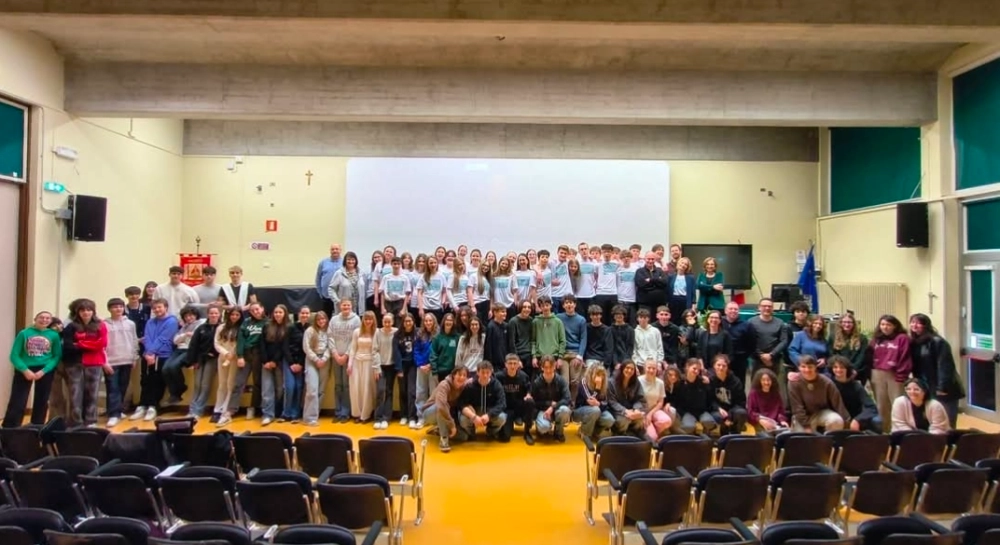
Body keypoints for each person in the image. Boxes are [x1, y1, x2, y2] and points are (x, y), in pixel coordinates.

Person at [3, 311, 61, 428]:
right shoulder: (24, 333)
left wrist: (44, 371)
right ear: (35, 319)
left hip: (44, 369)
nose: (44, 320)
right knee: (18, 399)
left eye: (47, 318)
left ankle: (37, 426)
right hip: (25, 368)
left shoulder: (54, 335)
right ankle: (10, 427)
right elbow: (14, 355)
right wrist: (25, 370)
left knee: (42, 399)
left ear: (50, 321)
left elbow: (56, 356)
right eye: (41, 317)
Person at [909, 313, 964, 428]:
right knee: (931, 419)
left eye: (918, 323)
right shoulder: (914, 342)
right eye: (913, 322)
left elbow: (945, 366)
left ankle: (950, 439)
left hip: (942, 387)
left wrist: (942, 387)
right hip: (926, 386)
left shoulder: (937, 341)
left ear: (926, 325)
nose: (915, 325)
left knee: (946, 420)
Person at [63, 299, 109, 428]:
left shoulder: (101, 325)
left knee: (92, 393)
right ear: (77, 312)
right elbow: (68, 346)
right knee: (75, 394)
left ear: (93, 311)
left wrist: (80, 344)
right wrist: (90, 344)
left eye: (89, 310)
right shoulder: (71, 326)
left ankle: (91, 420)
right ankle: (76, 422)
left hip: (94, 362)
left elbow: (102, 344)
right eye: (82, 310)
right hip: (74, 363)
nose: (86, 312)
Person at [133, 299, 178, 422]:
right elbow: (147, 337)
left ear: (166, 307)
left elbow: (163, 339)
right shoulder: (150, 322)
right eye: (155, 308)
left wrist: (152, 352)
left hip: (162, 355)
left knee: (156, 381)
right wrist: (148, 353)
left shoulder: (172, 321)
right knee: (145, 380)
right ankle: (142, 405)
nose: (157, 310)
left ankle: (153, 406)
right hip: (148, 355)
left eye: (159, 307)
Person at [870, 315, 912, 432]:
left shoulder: (902, 338)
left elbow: (905, 357)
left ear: (895, 326)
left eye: (888, 325)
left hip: (895, 374)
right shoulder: (876, 339)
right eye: (882, 324)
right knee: (881, 405)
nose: (885, 327)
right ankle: (885, 431)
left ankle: (899, 431)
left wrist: (902, 375)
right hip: (877, 373)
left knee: (898, 403)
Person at [788, 355, 848, 432]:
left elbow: (837, 402)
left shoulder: (826, 382)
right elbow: (797, 407)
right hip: (802, 417)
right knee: (802, 437)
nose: (807, 370)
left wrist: (847, 422)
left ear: (815, 367)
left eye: (810, 367)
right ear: (799, 368)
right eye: (803, 367)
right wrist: (806, 426)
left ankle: (829, 439)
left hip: (821, 413)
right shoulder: (794, 382)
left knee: (836, 421)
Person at [747, 298, 791, 402]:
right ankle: (754, 408)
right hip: (757, 360)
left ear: (773, 308)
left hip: (774, 361)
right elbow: (749, 340)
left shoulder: (780, 323)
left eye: (770, 306)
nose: (767, 308)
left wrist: (771, 355)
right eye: (764, 306)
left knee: (773, 386)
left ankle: (773, 409)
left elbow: (784, 341)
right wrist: (761, 355)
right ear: (759, 308)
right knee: (756, 386)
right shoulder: (751, 322)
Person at [103, 298, 138, 428]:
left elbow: (134, 340)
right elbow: (101, 344)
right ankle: (113, 414)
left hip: (127, 359)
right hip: (111, 361)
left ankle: (117, 409)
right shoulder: (104, 324)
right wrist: (104, 361)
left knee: (123, 386)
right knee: (113, 388)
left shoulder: (130, 323)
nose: (118, 309)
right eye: (115, 307)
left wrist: (134, 357)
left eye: (120, 307)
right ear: (109, 309)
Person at [421, 367, 470, 453]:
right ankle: (444, 439)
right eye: (459, 374)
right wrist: (452, 425)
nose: (462, 377)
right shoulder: (444, 385)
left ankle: (438, 430)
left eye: (464, 375)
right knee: (442, 407)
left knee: (463, 437)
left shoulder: (463, 387)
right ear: (453, 375)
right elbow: (441, 406)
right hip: (430, 413)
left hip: (447, 415)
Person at [163, 306, 204, 405]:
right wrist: (185, 335)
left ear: (196, 315)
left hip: (189, 350)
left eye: (191, 315)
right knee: (165, 369)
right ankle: (174, 394)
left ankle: (180, 389)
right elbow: (175, 340)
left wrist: (186, 336)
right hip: (179, 349)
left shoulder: (201, 324)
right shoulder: (184, 327)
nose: (188, 318)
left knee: (173, 367)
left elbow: (196, 338)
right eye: (186, 316)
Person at [829, 355, 881, 432]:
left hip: (856, 418)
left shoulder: (856, 386)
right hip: (835, 418)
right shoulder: (829, 385)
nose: (838, 370)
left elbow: (871, 407)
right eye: (835, 367)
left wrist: (858, 420)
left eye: (842, 367)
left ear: (847, 369)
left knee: (877, 421)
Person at [186, 304, 221, 419]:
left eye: (216, 313)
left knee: (205, 385)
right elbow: (194, 345)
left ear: (219, 314)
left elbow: (221, 344)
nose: (213, 315)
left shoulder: (221, 328)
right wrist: (193, 361)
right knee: (197, 385)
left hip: (213, 359)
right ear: (208, 314)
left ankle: (198, 411)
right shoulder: (201, 328)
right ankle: (192, 410)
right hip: (200, 359)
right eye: (211, 313)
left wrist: (214, 353)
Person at [458, 361, 508, 441]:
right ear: (477, 372)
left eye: (487, 372)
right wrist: (473, 417)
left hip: (490, 411)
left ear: (491, 372)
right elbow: (461, 403)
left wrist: (489, 415)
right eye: (482, 372)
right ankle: (471, 433)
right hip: (474, 411)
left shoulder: (496, 385)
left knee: (502, 418)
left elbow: (502, 403)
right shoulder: (470, 386)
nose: (485, 375)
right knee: (463, 420)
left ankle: (490, 432)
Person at [260, 305, 292, 426]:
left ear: (285, 314)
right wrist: (265, 361)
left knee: (280, 389)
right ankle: (268, 414)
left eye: (280, 312)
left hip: (279, 362)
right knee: (267, 389)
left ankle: (278, 411)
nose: (278, 314)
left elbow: (283, 347)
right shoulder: (267, 326)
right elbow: (262, 344)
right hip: (266, 362)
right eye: (276, 312)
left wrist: (274, 361)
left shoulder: (288, 327)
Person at [530, 355, 572, 443]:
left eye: (550, 367)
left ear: (555, 366)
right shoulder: (537, 382)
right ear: (542, 367)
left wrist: (553, 407)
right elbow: (534, 402)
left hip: (557, 409)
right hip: (543, 411)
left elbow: (567, 398)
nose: (548, 370)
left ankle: (558, 432)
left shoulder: (561, 380)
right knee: (544, 428)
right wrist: (548, 404)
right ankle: (541, 427)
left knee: (565, 410)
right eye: (546, 367)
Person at [674, 358, 720, 435]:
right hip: (687, 411)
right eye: (694, 368)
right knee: (688, 427)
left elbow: (710, 398)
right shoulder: (680, 382)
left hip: (702, 411)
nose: (696, 371)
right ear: (687, 367)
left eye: (698, 370)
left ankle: (706, 432)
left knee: (709, 422)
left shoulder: (703, 381)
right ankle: (693, 433)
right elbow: (676, 400)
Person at [301, 311, 331, 427]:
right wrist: (316, 359)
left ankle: (316, 413)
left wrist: (324, 358)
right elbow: (306, 347)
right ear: (315, 321)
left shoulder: (329, 331)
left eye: (323, 319)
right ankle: (309, 418)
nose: (321, 321)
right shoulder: (310, 331)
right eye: (319, 319)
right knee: (312, 389)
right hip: (311, 360)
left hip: (325, 360)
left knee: (321, 390)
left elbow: (330, 346)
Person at [213, 308, 242, 424]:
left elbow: (239, 344)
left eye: (237, 315)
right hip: (222, 357)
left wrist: (232, 354)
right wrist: (225, 353)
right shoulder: (221, 327)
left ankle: (225, 409)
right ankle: (217, 409)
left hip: (234, 358)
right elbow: (216, 343)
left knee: (231, 383)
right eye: (232, 314)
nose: (234, 317)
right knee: (222, 383)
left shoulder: (241, 328)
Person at [498, 353, 535, 444]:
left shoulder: (523, 376)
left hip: (519, 407)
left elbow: (530, 388)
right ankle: (503, 428)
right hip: (506, 409)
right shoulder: (499, 376)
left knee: (530, 402)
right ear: (505, 364)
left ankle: (527, 432)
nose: (512, 366)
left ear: (518, 364)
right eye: (510, 363)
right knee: (505, 438)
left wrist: (528, 394)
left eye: (515, 363)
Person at [349, 311, 379, 423]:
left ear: (373, 320)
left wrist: (376, 367)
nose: (368, 321)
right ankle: (357, 413)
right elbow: (353, 348)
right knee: (356, 388)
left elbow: (377, 350)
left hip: (370, 362)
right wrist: (350, 363)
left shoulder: (376, 332)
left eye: (370, 319)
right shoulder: (357, 332)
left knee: (367, 389)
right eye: (366, 319)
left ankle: (366, 414)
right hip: (357, 361)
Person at [556, 295, 586, 401]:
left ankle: (572, 402)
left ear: (575, 304)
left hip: (575, 354)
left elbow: (583, 338)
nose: (569, 305)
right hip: (563, 354)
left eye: (571, 302)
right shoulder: (558, 318)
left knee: (575, 381)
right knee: (564, 381)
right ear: (563, 305)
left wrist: (580, 356)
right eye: (566, 303)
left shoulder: (581, 320)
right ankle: (565, 402)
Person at [573, 364, 615, 441]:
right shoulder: (584, 382)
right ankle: (585, 433)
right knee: (595, 410)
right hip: (580, 410)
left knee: (609, 420)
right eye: (598, 374)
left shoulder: (605, 384)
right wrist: (597, 389)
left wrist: (599, 404)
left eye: (602, 375)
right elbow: (590, 400)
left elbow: (606, 403)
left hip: (598, 410)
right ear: (591, 373)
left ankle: (594, 432)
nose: (600, 377)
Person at [373, 313, 400, 429]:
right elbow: (374, 350)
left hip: (392, 366)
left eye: (389, 322)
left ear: (392, 322)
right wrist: (376, 367)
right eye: (385, 322)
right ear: (382, 322)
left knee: (389, 391)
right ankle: (378, 417)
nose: (387, 324)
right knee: (380, 390)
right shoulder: (377, 332)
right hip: (381, 366)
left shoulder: (396, 332)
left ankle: (386, 418)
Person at [828, 313, 871, 385]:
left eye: (849, 322)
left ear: (854, 324)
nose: (847, 324)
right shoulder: (833, 337)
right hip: (839, 371)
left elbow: (862, 356)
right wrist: (841, 368)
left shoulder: (862, 338)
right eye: (844, 322)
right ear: (840, 323)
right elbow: (832, 354)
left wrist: (853, 369)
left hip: (857, 372)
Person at [709, 354, 747, 435]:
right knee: (718, 417)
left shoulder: (735, 381)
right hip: (718, 410)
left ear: (727, 367)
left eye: (724, 366)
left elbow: (741, 402)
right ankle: (723, 435)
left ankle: (736, 434)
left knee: (741, 413)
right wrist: (718, 408)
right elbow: (709, 400)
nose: (721, 368)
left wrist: (729, 415)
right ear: (714, 366)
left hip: (733, 409)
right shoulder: (710, 380)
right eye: (718, 365)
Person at [393, 313, 419, 427]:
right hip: (402, 365)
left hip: (413, 365)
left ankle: (412, 416)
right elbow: (396, 352)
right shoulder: (397, 335)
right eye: (406, 321)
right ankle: (403, 415)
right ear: (403, 323)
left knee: (411, 391)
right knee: (403, 391)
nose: (408, 323)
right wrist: (399, 369)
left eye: (410, 321)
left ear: (413, 322)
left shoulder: (417, 333)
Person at [283, 307, 308, 424]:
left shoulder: (310, 328)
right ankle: (286, 413)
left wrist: (300, 364)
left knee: (299, 387)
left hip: (302, 362)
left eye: (307, 313)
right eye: (303, 313)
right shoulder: (290, 327)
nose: (304, 315)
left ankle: (295, 414)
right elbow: (285, 346)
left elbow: (306, 348)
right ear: (299, 314)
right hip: (289, 361)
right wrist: (291, 363)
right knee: (289, 386)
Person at [609, 360, 646, 437]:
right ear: (622, 368)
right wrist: (625, 411)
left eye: (632, 369)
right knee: (625, 419)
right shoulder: (611, 382)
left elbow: (640, 399)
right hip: (616, 411)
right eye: (627, 368)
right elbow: (612, 402)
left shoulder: (636, 382)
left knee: (640, 418)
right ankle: (619, 435)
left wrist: (636, 409)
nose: (629, 370)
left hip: (631, 410)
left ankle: (634, 435)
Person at [638, 358, 672, 441]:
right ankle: (652, 434)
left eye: (654, 368)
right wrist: (644, 415)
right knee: (652, 437)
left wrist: (650, 414)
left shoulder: (660, 383)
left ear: (657, 369)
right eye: (649, 368)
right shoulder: (638, 381)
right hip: (641, 412)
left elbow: (660, 402)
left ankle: (655, 430)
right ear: (644, 368)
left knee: (667, 421)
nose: (651, 370)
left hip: (654, 410)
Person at [746, 368, 789, 432]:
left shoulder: (776, 394)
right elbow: (751, 412)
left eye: (768, 380)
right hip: (758, 424)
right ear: (759, 381)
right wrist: (760, 420)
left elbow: (780, 411)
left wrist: (782, 421)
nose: (766, 382)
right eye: (763, 380)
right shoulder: (753, 393)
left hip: (775, 424)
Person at [722, 301, 752, 387]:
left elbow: (751, 343)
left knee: (739, 385)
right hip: (722, 361)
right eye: (730, 309)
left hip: (739, 361)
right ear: (725, 311)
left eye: (735, 309)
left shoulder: (747, 325)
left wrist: (744, 355)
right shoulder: (719, 323)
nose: (733, 311)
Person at [328, 251, 367, 317]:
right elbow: (331, 289)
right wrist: (338, 301)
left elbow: (365, 289)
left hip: (359, 308)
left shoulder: (361, 273)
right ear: (345, 261)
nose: (351, 261)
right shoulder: (339, 273)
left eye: (353, 259)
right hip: (345, 308)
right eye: (348, 259)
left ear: (356, 261)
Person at [379, 257, 412, 326]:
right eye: (394, 264)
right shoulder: (386, 277)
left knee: (399, 324)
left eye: (398, 264)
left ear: (401, 265)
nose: (396, 266)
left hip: (400, 302)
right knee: (388, 323)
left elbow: (407, 293)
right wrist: (382, 307)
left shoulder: (405, 278)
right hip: (388, 302)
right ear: (391, 264)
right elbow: (382, 292)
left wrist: (404, 309)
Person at [635, 252, 668, 317]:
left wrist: (651, 280)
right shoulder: (639, 271)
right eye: (648, 259)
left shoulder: (660, 271)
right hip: (644, 304)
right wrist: (657, 282)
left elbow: (665, 283)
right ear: (645, 259)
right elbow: (641, 284)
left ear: (655, 260)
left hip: (659, 304)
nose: (650, 261)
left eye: (652, 259)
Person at [666, 258, 696, 326]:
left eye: (685, 264)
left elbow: (693, 293)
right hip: (673, 301)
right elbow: (667, 291)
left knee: (684, 320)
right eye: (682, 263)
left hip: (685, 301)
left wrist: (693, 306)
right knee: (673, 320)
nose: (683, 265)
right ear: (678, 264)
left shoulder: (690, 278)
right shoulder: (671, 276)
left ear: (687, 267)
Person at [430, 313, 460, 381]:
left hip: (454, 371)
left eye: (451, 320)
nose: (448, 322)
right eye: (447, 320)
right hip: (441, 371)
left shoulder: (458, 337)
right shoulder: (437, 337)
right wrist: (434, 371)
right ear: (443, 321)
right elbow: (433, 355)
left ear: (453, 322)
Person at [316, 244, 344, 317]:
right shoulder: (323, 262)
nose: (335, 251)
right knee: (325, 318)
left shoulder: (344, 263)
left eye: (337, 249)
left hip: (340, 298)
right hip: (326, 297)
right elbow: (318, 278)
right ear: (330, 251)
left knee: (339, 318)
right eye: (333, 249)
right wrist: (321, 293)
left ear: (340, 250)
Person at [584, 305, 613, 371]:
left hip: (602, 359)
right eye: (593, 315)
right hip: (589, 358)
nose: (595, 317)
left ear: (600, 315)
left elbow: (609, 348)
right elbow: (584, 344)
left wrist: (606, 364)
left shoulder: (607, 330)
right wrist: (583, 359)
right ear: (590, 316)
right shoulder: (586, 327)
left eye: (597, 315)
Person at [484, 304, 511, 375]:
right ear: (495, 313)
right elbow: (488, 347)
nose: (505, 314)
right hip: (495, 363)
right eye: (502, 312)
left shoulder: (506, 326)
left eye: (505, 312)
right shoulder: (491, 326)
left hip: (504, 361)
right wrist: (490, 364)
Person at [509, 301, 535, 377]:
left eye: (529, 307)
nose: (527, 309)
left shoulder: (531, 321)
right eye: (524, 307)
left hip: (529, 355)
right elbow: (511, 343)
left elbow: (532, 339)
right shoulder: (513, 321)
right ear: (520, 308)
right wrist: (517, 359)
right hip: (519, 354)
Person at [610, 304, 635, 371]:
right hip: (613, 363)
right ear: (614, 316)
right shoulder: (610, 330)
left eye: (621, 314)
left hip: (626, 361)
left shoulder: (630, 330)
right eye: (616, 314)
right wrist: (616, 363)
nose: (619, 316)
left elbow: (630, 348)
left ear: (624, 315)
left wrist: (625, 362)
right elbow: (611, 348)